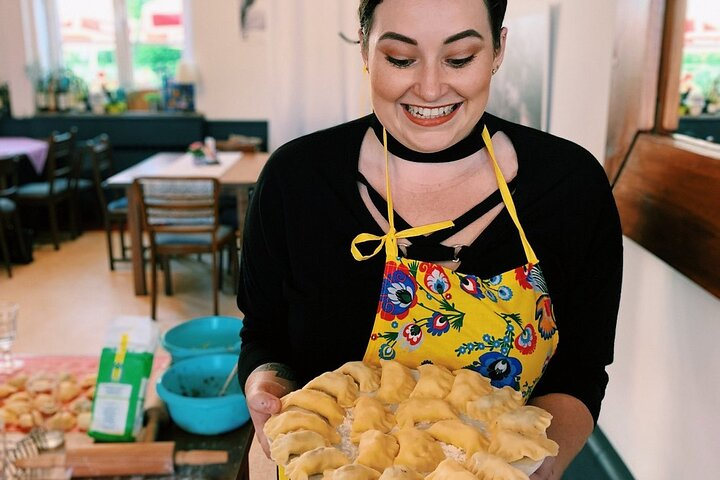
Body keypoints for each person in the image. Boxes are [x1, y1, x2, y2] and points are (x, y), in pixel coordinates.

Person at [237, 0, 623, 478]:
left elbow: (581, 370)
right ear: (364, 49)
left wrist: (539, 467)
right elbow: (264, 334)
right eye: (400, 58)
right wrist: (266, 384)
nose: (431, 87)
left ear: (499, 49)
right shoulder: (295, 182)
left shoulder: (570, 187)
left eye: (460, 58)